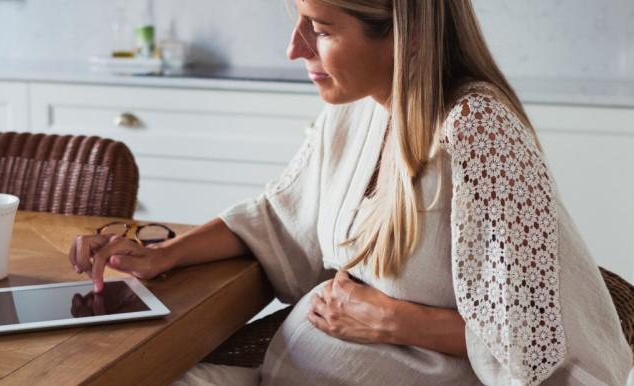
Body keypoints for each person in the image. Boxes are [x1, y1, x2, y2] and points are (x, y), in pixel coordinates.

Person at [68, 0, 633, 384]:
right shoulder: (357, 109)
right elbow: (281, 218)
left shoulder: (478, 134)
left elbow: (529, 350)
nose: (295, 48)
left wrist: (394, 321)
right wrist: (164, 252)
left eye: (320, 28)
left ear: (404, 36)